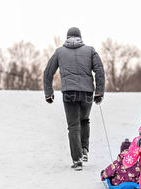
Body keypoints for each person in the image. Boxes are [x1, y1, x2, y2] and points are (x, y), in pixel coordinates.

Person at [43, 27, 105, 171]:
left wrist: (48, 92)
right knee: (84, 120)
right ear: (80, 37)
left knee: (73, 125)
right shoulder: (90, 50)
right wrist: (99, 92)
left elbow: (48, 73)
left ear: (67, 37)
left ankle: (77, 160)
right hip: (87, 93)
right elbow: (99, 71)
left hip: (69, 92)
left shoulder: (59, 52)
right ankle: (84, 150)